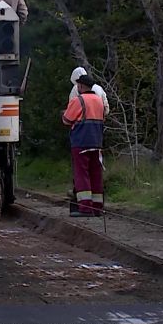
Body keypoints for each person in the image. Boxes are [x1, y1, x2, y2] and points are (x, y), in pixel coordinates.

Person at [61, 74, 105, 217]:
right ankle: (98, 207)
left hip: (80, 142)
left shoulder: (78, 100)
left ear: (80, 86)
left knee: (82, 174)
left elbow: (67, 120)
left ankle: (85, 208)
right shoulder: (99, 101)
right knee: (96, 174)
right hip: (97, 142)